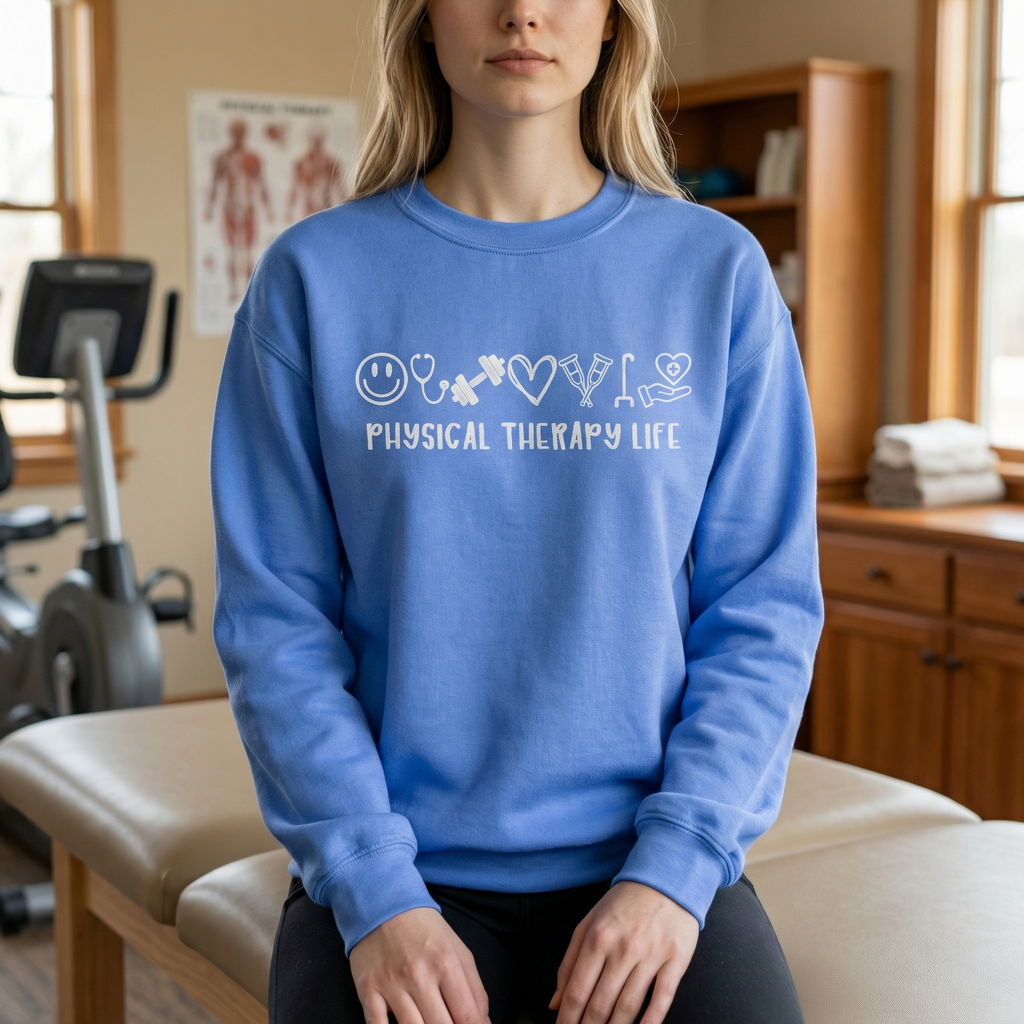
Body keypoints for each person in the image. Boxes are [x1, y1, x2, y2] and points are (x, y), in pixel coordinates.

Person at [210, 1, 824, 1022]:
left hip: (649, 858)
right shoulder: (310, 281)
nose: (521, 11)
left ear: (616, 24)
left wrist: (673, 872)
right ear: (420, 21)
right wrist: (373, 891)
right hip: (400, 870)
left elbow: (762, 610)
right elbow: (277, 625)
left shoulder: (715, 274)